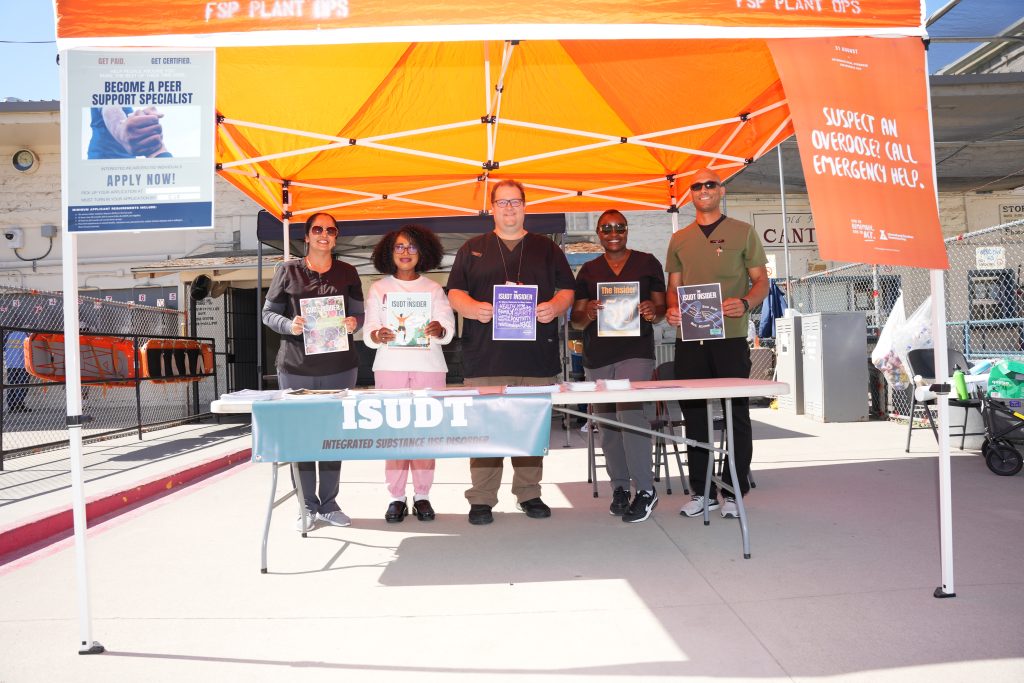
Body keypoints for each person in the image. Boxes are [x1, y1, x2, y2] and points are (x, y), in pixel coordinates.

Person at [447, 179, 575, 525]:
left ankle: (529, 493)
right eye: (502, 202)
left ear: (524, 206)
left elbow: (567, 290)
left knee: (530, 429)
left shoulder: (547, 248)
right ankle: (482, 498)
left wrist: (554, 306)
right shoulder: (472, 248)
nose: (509, 208)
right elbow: (454, 292)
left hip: (535, 358)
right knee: (485, 430)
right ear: (492, 208)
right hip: (485, 357)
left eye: (515, 201)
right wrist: (472, 308)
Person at [665, 168, 769, 519]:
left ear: (721, 190)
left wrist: (746, 302)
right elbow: (673, 287)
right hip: (690, 338)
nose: (703, 189)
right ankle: (703, 491)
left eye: (710, 184)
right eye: (697, 186)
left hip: (731, 337)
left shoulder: (743, 232)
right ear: (690, 194)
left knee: (735, 413)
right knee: (694, 414)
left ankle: (734, 491)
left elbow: (761, 281)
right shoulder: (679, 239)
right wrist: (671, 309)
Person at [262, 212, 364, 532]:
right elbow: (268, 314)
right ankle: (306, 504)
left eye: (330, 230)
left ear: (336, 237)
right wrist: (288, 324)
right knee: (302, 438)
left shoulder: (348, 272)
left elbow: (359, 314)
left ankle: (329, 504)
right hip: (297, 369)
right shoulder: (287, 270)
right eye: (317, 229)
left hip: (340, 369)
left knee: (334, 438)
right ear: (306, 236)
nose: (324, 234)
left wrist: (353, 323)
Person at [570, 210, 666, 523]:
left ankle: (646, 490)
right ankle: (620, 488)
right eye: (606, 228)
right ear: (599, 233)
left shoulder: (647, 262)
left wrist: (652, 310)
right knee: (608, 423)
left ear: (627, 230)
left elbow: (661, 309)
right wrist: (589, 313)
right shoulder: (588, 270)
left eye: (619, 228)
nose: (613, 233)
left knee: (632, 416)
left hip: (635, 351)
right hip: (598, 356)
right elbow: (576, 321)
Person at [363, 224, 455, 523]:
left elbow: (448, 328)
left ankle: (423, 495)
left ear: (423, 252)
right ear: (389, 252)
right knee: (394, 434)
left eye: (412, 246)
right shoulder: (378, 289)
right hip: (390, 367)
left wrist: (439, 329)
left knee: (427, 433)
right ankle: (396, 497)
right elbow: (369, 330)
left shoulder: (434, 289)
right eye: (399, 246)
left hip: (429, 367)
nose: (406, 252)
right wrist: (377, 334)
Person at [87, 106, 171, 159]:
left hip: (128, 161)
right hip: (104, 159)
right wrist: (119, 130)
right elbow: (110, 108)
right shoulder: (106, 88)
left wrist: (156, 149)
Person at [3, 330, 30, 413]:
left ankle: (11, 405)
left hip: (10, 364)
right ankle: (19, 404)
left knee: (11, 384)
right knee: (22, 384)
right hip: (22, 364)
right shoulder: (26, 334)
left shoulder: (9, 334)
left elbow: (4, 348)